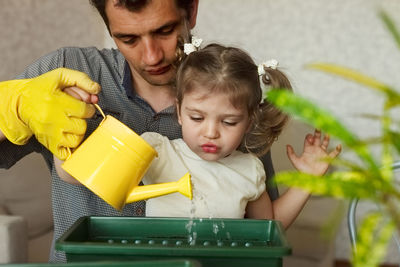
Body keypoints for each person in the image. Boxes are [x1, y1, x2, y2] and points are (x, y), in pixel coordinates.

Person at [0, 0, 277, 263]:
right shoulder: (65, 70)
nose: (152, 55)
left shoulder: (233, 97)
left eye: (165, 31)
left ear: (191, 10)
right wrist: (15, 107)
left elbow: (261, 232)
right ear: (109, 27)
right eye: (128, 39)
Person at [57, 43, 342, 228]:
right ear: (179, 112)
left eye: (229, 122)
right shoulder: (156, 150)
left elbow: (271, 225)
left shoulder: (250, 169)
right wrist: (64, 126)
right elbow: (72, 174)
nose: (210, 132)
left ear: (249, 120)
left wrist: (309, 179)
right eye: (197, 117)